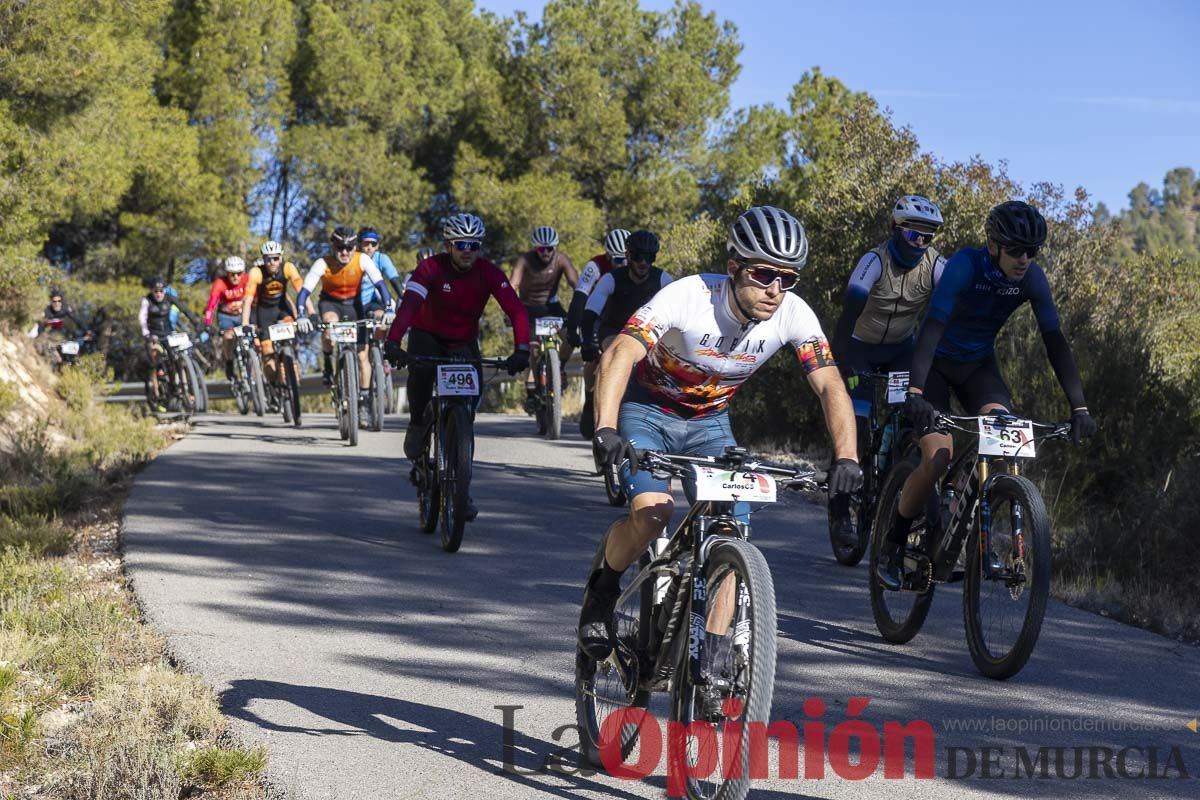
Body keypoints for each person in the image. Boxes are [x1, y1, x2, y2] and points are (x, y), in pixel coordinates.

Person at [577, 207, 863, 678]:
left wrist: (847, 457)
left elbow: (830, 384)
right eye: (764, 273)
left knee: (732, 531)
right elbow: (621, 351)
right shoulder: (689, 296)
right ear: (734, 268)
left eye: (787, 278)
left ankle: (711, 652)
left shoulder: (793, 312)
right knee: (654, 514)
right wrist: (605, 427)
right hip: (648, 410)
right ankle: (604, 588)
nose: (775, 289)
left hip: (710, 422)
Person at [876, 200, 1098, 590]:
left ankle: (975, 534)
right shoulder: (966, 265)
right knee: (938, 455)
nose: (1025, 259)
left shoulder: (1031, 278)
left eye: (1032, 251)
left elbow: (1055, 342)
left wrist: (1078, 407)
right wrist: (914, 391)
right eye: (1016, 250)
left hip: (979, 368)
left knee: (1004, 442)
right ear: (993, 244)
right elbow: (932, 326)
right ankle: (893, 543)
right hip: (934, 367)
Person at [383, 213, 530, 520]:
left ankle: (461, 485)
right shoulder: (430, 268)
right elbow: (409, 305)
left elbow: (515, 310)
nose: (468, 251)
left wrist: (522, 348)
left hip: (462, 342)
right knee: (421, 376)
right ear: (448, 245)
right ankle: (418, 426)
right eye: (461, 244)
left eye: (474, 245)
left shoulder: (489, 272)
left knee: (466, 410)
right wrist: (395, 342)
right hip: (427, 335)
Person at [827, 195, 946, 547]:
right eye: (913, 236)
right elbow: (847, 316)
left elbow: (955, 305)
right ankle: (839, 511)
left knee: (911, 414)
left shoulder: (936, 264)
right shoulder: (873, 262)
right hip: (860, 348)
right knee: (857, 427)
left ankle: (898, 477)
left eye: (928, 237)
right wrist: (843, 364)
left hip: (900, 352)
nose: (921, 244)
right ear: (895, 229)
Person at [297, 227, 393, 416]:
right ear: (333, 246)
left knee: (362, 356)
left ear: (355, 247)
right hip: (330, 303)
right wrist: (301, 314)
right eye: (340, 247)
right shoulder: (322, 263)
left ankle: (364, 401)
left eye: (349, 248)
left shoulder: (362, 259)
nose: (345, 252)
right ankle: (327, 363)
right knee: (329, 325)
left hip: (354, 305)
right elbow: (305, 290)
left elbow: (380, 284)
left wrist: (389, 308)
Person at [566, 228, 631, 438]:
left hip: (625, 317)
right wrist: (573, 328)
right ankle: (589, 398)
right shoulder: (595, 266)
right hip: (597, 316)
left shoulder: (637, 268)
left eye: (626, 259)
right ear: (608, 256)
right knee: (594, 358)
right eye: (617, 260)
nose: (623, 264)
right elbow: (580, 298)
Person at [509, 225, 578, 412]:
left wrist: (584, 306)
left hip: (552, 307)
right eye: (541, 249)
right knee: (531, 350)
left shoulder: (561, 259)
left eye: (550, 249)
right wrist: (510, 309)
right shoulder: (525, 260)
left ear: (555, 248)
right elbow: (513, 284)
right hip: (527, 309)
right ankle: (531, 393)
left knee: (571, 337)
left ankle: (560, 367)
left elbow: (576, 283)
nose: (546, 253)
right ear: (534, 248)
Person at [241, 240, 312, 402]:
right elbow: (248, 299)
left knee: (292, 329)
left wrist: (311, 312)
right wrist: (245, 324)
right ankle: (273, 384)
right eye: (268, 259)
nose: (272, 262)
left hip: (282, 309)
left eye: (275, 258)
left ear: (280, 258)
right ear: (263, 259)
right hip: (264, 313)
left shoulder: (288, 267)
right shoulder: (256, 272)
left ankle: (292, 361)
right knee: (267, 354)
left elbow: (302, 291)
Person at [140, 276, 203, 411]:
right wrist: (147, 334)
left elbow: (184, 310)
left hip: (168, 334)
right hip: (154, 335)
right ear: (152, 291)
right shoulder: (147, 301)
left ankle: (184, 389)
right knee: (155, 356)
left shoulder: (169, 298)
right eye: (156, 291)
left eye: (161, 291)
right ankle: (156, 392)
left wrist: (196, 323)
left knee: (178, 359)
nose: (158, 294)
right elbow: (142, 318)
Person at [203, 256, 250, 383]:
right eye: (232, 274)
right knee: (228, 336)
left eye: (238, 274)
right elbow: (211, 304)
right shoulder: (220, 283)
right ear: (227, 273)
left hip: (243, 314)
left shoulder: (247, 279)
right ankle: (229, 361)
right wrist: (207, 323)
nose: (235, 277)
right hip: (226, 316)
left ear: (243, 273)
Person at [358, 227, 404, 320]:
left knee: (383, 318)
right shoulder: (352, 258)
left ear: (378, 246)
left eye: (373, 244)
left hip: (371, 301)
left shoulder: (381, 258)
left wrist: (408, 302)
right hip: (351, 303)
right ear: (359, 244)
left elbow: (395, 281)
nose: (369, 247)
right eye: (366, 243)